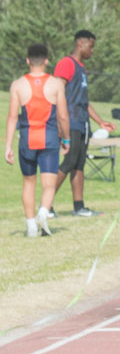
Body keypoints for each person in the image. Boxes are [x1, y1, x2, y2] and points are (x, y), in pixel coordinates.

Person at [5, 44, 69, 237]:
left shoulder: (17, 85)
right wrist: (66, 138)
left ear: (27, 61)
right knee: (49, 184)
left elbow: (12, 117)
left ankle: (31, 226)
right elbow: (63, 117)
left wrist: (8, 145)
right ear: (47, 61)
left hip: (27, 140)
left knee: (28, 183)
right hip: (49, 140)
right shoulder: (56, 84)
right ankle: (43, 211)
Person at [50, 30, 116, 218]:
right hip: (69, 122)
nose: (92, 50)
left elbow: (84, 102)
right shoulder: (66, 64)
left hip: (82, 124)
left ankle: (79, 206)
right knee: (69, 161)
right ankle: (46, 206)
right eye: (91, 46)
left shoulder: (82, 68)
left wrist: (100, 121)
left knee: (79, 164)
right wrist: (60, 126)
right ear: (81, 44)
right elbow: (56, 92)